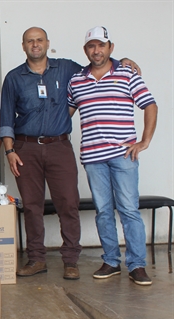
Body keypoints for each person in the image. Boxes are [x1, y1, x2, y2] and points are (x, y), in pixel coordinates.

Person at [0, 27, 139, 280]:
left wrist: (123, 63)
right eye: (30, 41)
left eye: (39, 40)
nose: (35, 45)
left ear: (47, 43)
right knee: (31, 206)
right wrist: (9, 150)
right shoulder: (13, 78)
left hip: (59, 147)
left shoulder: (66, 69)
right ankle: (37, 259)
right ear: (23, 46)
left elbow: (97, 64)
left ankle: (71, 261)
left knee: (68, 204)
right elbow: (6, 117)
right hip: (25, 148)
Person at [68, 26, 158, 285]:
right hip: (93, 157)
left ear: (111, 47)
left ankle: (137, 265)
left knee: (129, 210)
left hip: (123, 155)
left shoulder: (127, 73)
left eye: (101, 45)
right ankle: (111, 261)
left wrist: (145, 141)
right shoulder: (76, 80)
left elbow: (150, 105)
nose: (96, 50)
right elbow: (65, 115)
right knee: (103, 211)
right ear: (85, 50)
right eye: (91, 46)